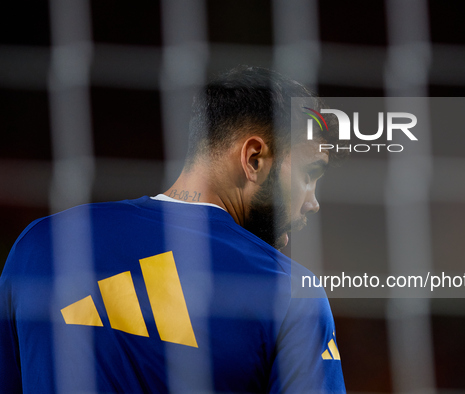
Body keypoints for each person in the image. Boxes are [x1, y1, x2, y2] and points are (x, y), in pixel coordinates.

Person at [0, 66, 346, 392]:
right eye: (309, 174)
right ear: (254, 159)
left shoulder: (41, 243)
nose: (312, 202)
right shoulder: (288, 292)